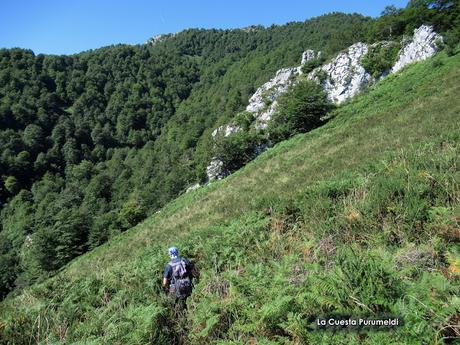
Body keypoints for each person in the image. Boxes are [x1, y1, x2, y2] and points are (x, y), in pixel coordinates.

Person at [163, 246, 194, 311]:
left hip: (175, 287)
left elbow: (164, 282)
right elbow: (192, 271)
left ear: (170, 254)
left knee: (172, 303)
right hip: (188, 284)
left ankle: (178, 314)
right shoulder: (185, 260)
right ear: (177, 252)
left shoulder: (169, 266)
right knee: (189, 299)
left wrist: (166, 288)